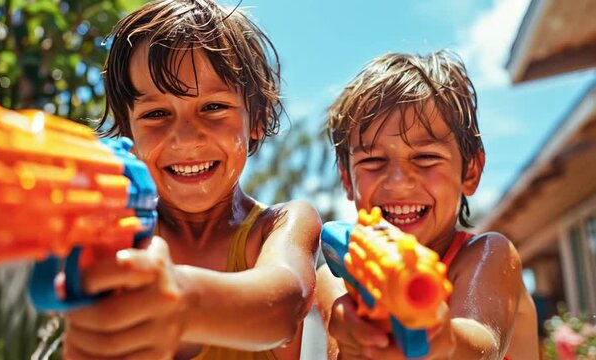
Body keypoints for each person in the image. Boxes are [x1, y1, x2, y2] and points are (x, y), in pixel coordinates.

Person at [62, 1, 321, 359]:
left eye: (213, 107)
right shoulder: (118, 236)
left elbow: (284, 305)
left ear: (257, 118)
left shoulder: (276, 226)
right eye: (156, 114)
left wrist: (181, 301)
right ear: (129, 136)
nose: (185, 139)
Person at [316, 50, 538, 359]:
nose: (398, 182)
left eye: (426, 158)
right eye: (373, 161)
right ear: (348, 181)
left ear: (470, 172)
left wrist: (440, 337)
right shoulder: (337, 277)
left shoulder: (489, 256)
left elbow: (483, 345)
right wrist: (358, 342)